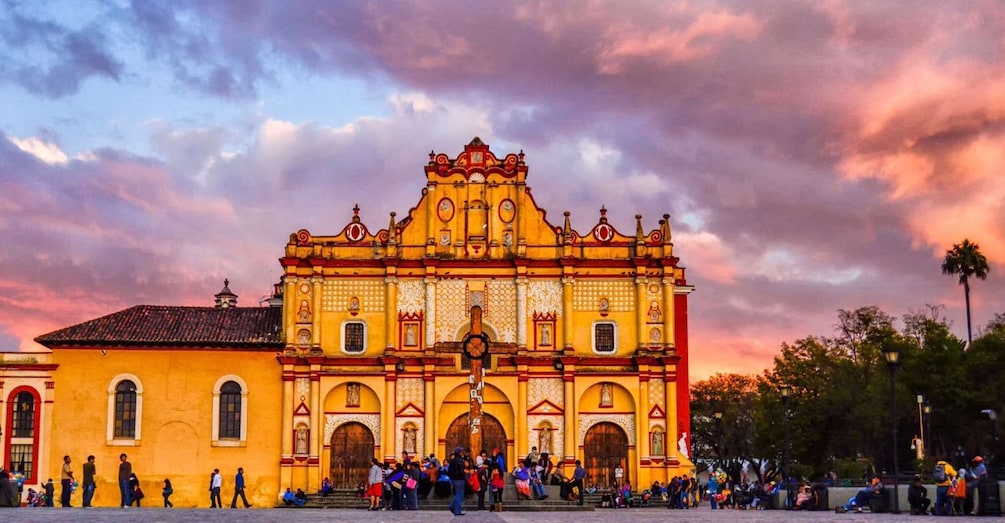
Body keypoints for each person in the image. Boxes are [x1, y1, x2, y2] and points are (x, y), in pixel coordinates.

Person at [447, 446, 467, 516]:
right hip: (460, 479)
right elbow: (461, 471)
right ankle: (455, 509)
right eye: (462, 451)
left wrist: (452, 477)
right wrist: (465, 473)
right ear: (460, 452)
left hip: (454, 479)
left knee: (458, 494)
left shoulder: (452, 460)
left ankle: (453, 506)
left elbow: (449, 471)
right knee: (460, 495)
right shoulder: (460, 460)